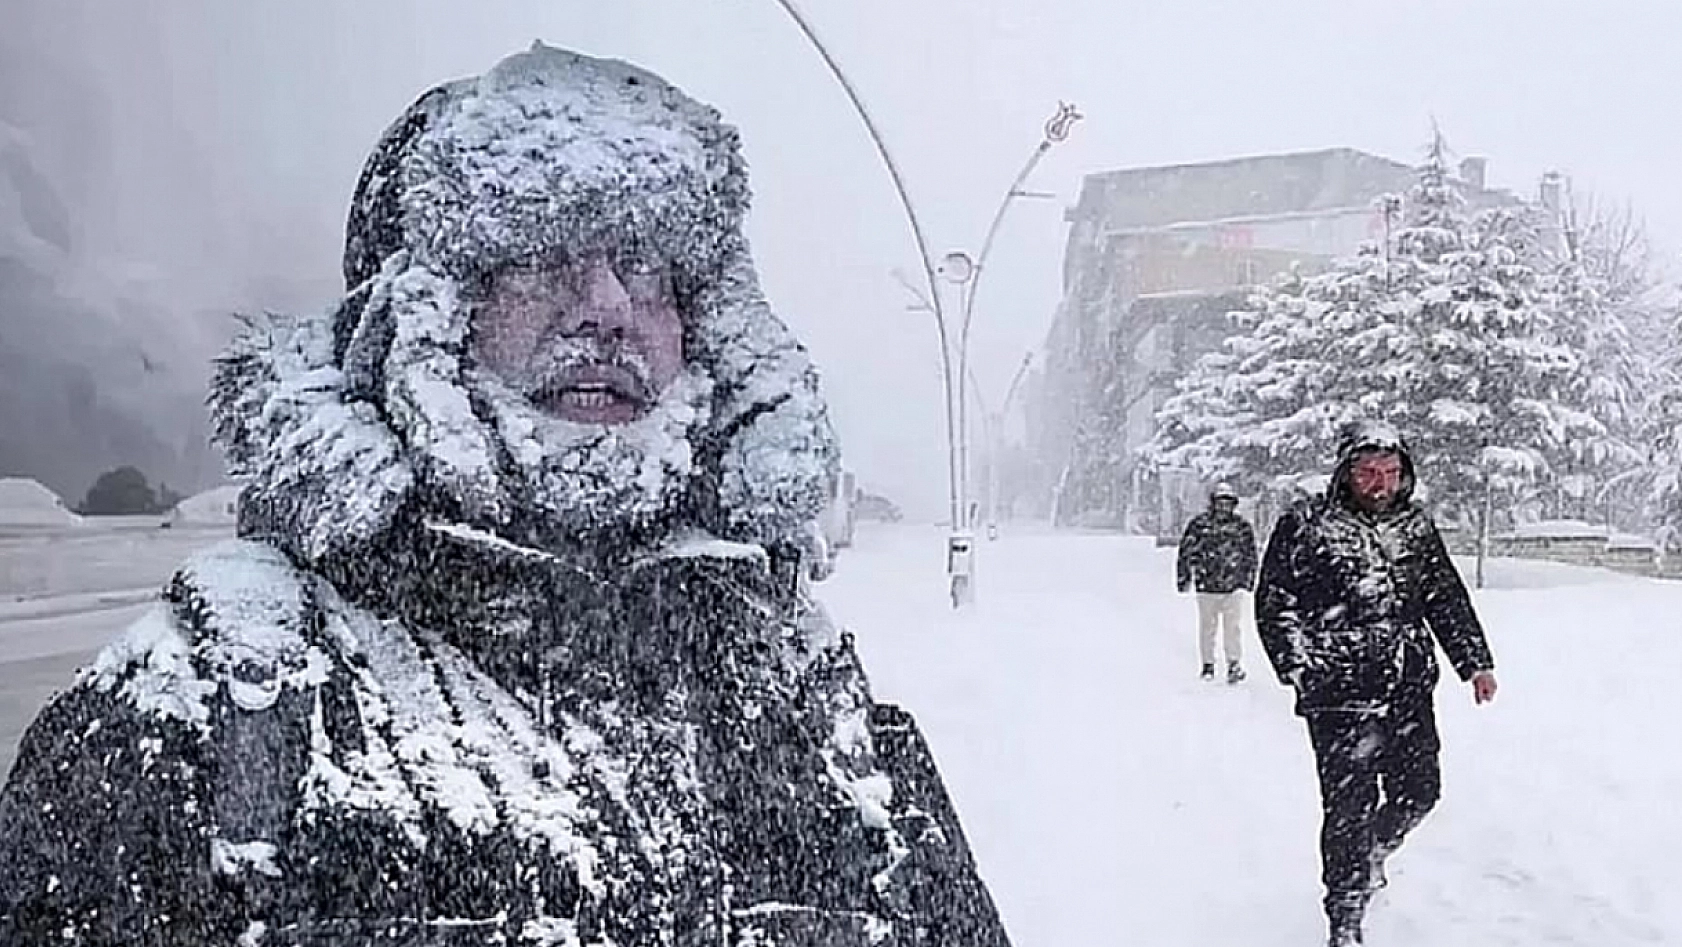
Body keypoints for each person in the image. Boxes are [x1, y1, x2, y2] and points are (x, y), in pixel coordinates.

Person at [0, 45, 1011, 947]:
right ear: (413, 318)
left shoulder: (801, 690)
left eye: (644, 262)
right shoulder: (209, 709)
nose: (607, 307)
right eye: (536, 255)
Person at [1256, 421, 1498, 947]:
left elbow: (1444, 596)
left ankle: (1372, 851)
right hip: (1339, 693)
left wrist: (1475, 662)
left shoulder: (1415, 526)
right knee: (1348, 808)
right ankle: (1345, 917)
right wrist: (1297, 665)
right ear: (1346, 472)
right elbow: (1275, 601)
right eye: (1368, 471)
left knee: (1420, 792)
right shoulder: (1308, 523)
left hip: (1408, 686)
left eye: (1389, 472)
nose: (1380, 482)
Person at [1175, 482, 1256, 684]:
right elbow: (1186, 552)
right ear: (1213, 503)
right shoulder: (1199, 525)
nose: (1223, 507)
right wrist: (1184, 578)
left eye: (1227, 503)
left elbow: (1250, 554)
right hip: (1207, 585)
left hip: (1233, 585)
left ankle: (1234, 663)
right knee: (1207, 627)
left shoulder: (1241, 527)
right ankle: (1208, 664)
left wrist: (1249, 579)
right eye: (1220, 503)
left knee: (1233, 628)